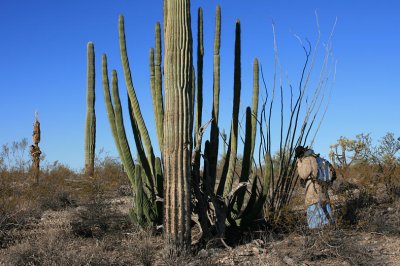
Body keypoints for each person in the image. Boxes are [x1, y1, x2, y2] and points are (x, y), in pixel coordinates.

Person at [295, 146, 335, 229]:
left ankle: (318, 228)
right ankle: (330, 226)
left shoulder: (307, 159)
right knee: (324, 204)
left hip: (313, 187)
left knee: (313, 203)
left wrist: (299, 164)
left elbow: (303, 174)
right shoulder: (318, 158)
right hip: (323, 185)